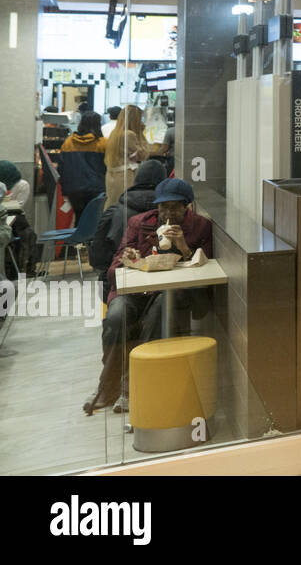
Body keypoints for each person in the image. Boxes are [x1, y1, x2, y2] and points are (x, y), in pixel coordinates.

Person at [87, 178, 214, 415]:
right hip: (137, 290)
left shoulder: (199, 227)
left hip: (172, 292)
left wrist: (184, 247)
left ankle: (131, 388)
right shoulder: (139, 223)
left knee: (159, 312)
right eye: (163, 207)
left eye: (174, 207)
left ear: (186, 205)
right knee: (116, 317)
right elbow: (115, 266)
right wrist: (130, 260)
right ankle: (107, 386)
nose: (168, 213)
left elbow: (203, 271)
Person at [89, 159, 168, 289]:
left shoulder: (114, 212)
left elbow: (98, 258)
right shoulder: (172, 212)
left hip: (122, 281)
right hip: (162, 282)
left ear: (137, 179)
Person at [59, 111, 108, 222]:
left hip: (73, 189)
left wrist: (65, 190)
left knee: (79, 219)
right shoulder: (103, 143)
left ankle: (78, 239)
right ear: (98, 124)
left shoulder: (68, 142)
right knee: (94, 221)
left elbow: (62, 168)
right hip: (97, 188)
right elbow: (108, 166)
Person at [104, 104, 148, 205]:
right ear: (135, 119)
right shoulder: (129, 134)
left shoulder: (114, 133)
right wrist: (141, 133)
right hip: (125, 176)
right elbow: (143, 154)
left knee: (112, 203)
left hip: (112, 175)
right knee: (125, 206)